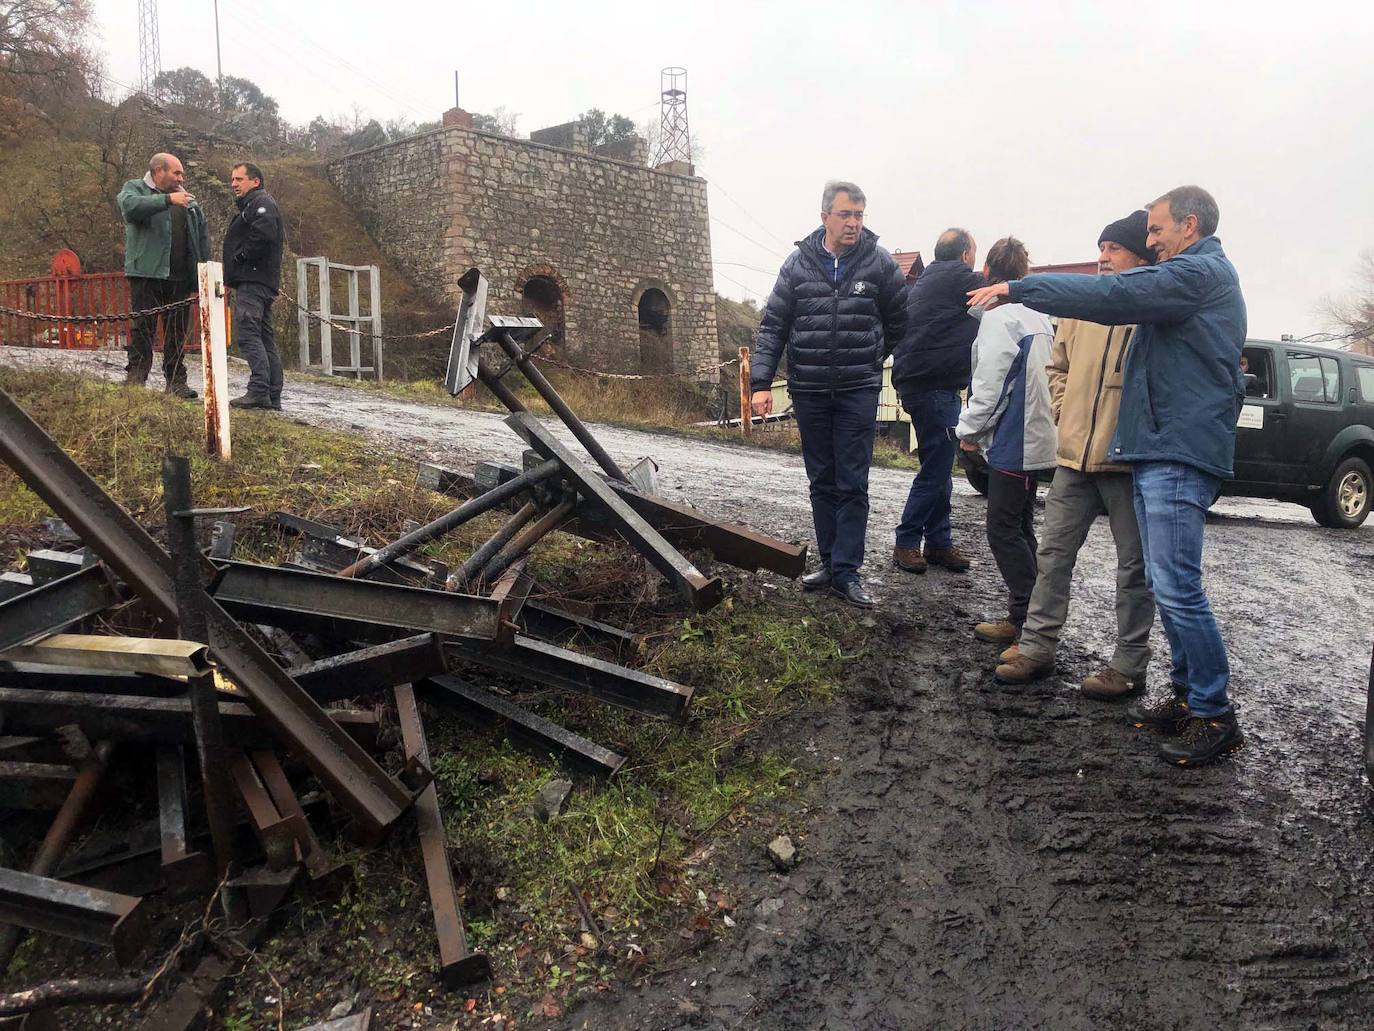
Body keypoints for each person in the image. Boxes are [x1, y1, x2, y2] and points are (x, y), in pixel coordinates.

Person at [967, 185, 1246, 767]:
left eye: (1156, 230)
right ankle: (1191, 697)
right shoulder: (1190, 279)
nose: (1150, 240)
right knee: (1165, 584)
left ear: (1188, 226)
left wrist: (1020, 288)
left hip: (1175, 451)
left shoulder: (1198, 276)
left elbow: (1115, 296)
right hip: (1152, 449)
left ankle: (1214, 712)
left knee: (1173, 584)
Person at [994, 211, 1157, 699]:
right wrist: (1066, 412)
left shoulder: (1154, 306)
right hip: (1073, 458)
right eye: (1101, 247)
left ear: (1140, 257)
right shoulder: (1083, 306)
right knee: (1053, 554)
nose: (1103, 257)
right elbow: (1057, 365)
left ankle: (1128, 665)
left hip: (1127, 462)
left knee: (1135, 567)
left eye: (1113, 249)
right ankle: (1037, 648)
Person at [750, 180, 907, 608]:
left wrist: (874, 357)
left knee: (853, 480)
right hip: (810, 388)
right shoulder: (798, 265)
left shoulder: (878, 264)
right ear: (825, 217)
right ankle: (830, 561)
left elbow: (899, 320)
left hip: (857, 387)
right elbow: (773, 325)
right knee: (821, 479)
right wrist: (761, 383)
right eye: (846, 215)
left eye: (859, 215)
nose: (854, 223)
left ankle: (847, 571)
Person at [955, 237, 1056, 645]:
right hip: (1036, 434)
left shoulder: (1002, 321)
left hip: (1016, 439)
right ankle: (1032, 618)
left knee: (1002, 528)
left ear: (987, 275)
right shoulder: (1038, 317)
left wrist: (968, 433)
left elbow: (991, 387)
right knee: (1020, 525)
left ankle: (1026, 621)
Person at [888, 228, 983, 575]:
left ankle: (939, 542)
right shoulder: (963, 279)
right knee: (935, 469)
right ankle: (907, 541)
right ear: (965, 255)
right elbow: (1000, 294)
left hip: (915, 383)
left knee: (940, 465)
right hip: (935, 386)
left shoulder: (925, 281)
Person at [116, 153, 209, 399]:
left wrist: (204, 272)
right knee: (142, 328)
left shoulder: (189, 202)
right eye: (176, 173)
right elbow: (130, 209)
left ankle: (176, 381)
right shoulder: (134, 188)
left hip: (179, 278)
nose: (181, 177)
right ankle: (136, 377)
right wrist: (167, 200)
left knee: (177, 333)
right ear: (159, 171)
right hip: (146, 273)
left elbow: (201, 237)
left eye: (181, 174)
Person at [223, 161, 285, 410]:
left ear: (255, 181)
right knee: (264, 338)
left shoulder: (261, 204)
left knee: (249, 334)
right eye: (232, 180)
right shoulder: (256, 204)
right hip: (259, 281)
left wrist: (241, 257)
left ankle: (259, 390)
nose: (233, 184)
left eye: (239, 179)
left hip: (253, 280)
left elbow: (263, 234)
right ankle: (271, 394)